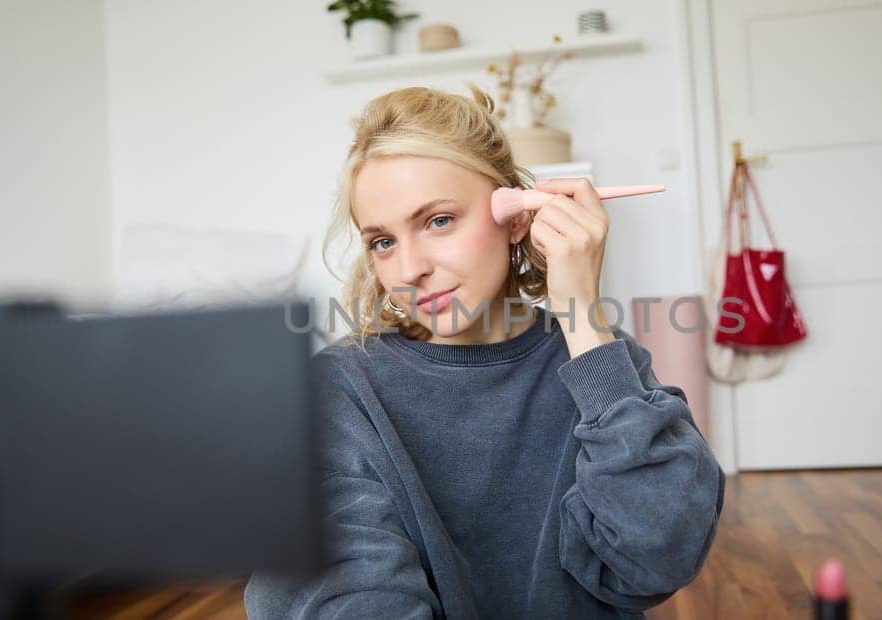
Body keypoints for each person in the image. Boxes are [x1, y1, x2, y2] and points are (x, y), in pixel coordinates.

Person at [245, 85, 724, 618]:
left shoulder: (606, 367)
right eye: (383, 241)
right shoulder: (340, 390)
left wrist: (582, 317)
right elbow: (342, 593)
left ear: (517, 217)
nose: (409, 270)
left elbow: (656, 560)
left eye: (438, 220)